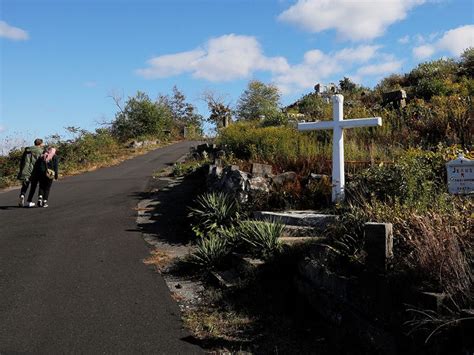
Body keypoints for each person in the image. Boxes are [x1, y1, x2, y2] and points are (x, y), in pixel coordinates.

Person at [17, 138, 44, 207]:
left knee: (25, 184)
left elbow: (22, 161)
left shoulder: (27, 150)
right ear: (40, 144)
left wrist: (21, 170)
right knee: (33, 186)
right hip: (35, 171)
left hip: (25, 170)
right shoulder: (40, 151)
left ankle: (22, 195)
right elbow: (41, 162)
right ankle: (30, 201)